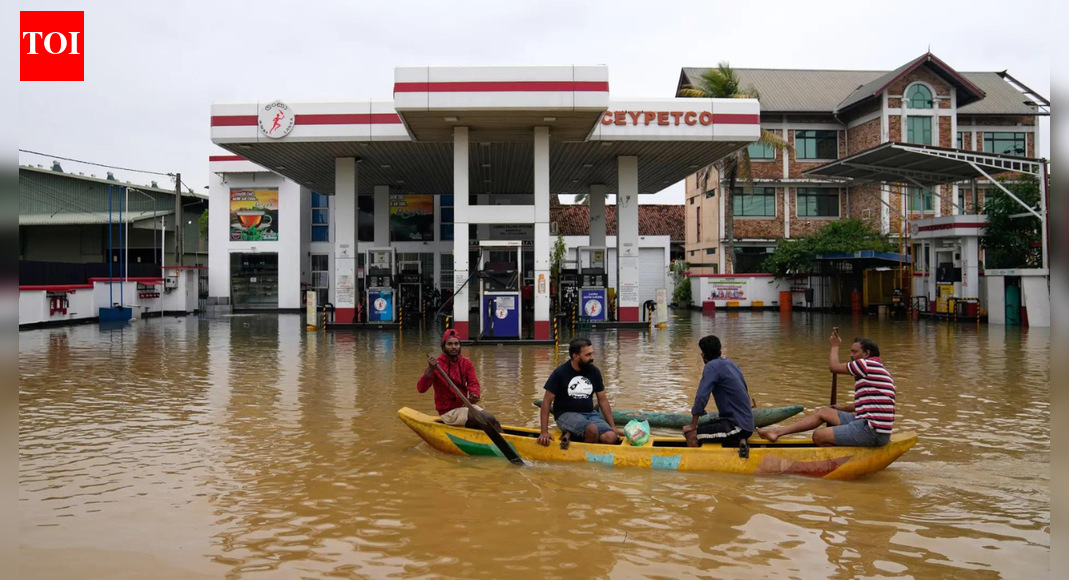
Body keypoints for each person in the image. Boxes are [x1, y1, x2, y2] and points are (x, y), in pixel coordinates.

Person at [756, 329, 895, 446]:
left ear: (867, 354)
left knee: (818, 436)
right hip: (868, 425)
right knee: (824, 412)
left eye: (855, 352)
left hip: (872, 431)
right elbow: (866, 403)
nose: (851, 355)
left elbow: (833, 367)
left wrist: (835, 346)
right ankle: (776, 432)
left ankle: (840, 457)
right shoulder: (879, 369)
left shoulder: (865, 364)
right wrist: (842, 408)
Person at [537, 337, 619, 446]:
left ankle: (579, 438)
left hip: (590, 414)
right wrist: (544, 432)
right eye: (588, 355)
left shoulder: (594, 371)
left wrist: (612, 426)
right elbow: (546, 402)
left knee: (610, 437)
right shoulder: (560, 373)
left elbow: (603, 400)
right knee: (592, 430)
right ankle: (586, 456)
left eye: (592, 353)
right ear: (575, 356)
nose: (592, 358)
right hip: (566, 415)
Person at [416, 329, 501, 431]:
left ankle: (507, 442)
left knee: (494, 421)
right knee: (487, 418)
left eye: (456, 344)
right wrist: (430, 370)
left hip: (465, 406)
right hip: (448, 413)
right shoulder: (436, 365)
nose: (453, 347)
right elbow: (421, 388)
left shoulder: (466, 363)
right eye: (450, 344)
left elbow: (473, 383)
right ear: (444, 347)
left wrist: (474, 394)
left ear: (460, 346)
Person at [682, 335, 755, 447]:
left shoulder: (711, 367)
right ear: (720, 351)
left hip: (738, 427)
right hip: (744, 423)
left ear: (703, 355)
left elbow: (701, 396)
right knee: (703, 427)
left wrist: (693, 425)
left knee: (691, 433)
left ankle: (696, 462)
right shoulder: (731, 364)